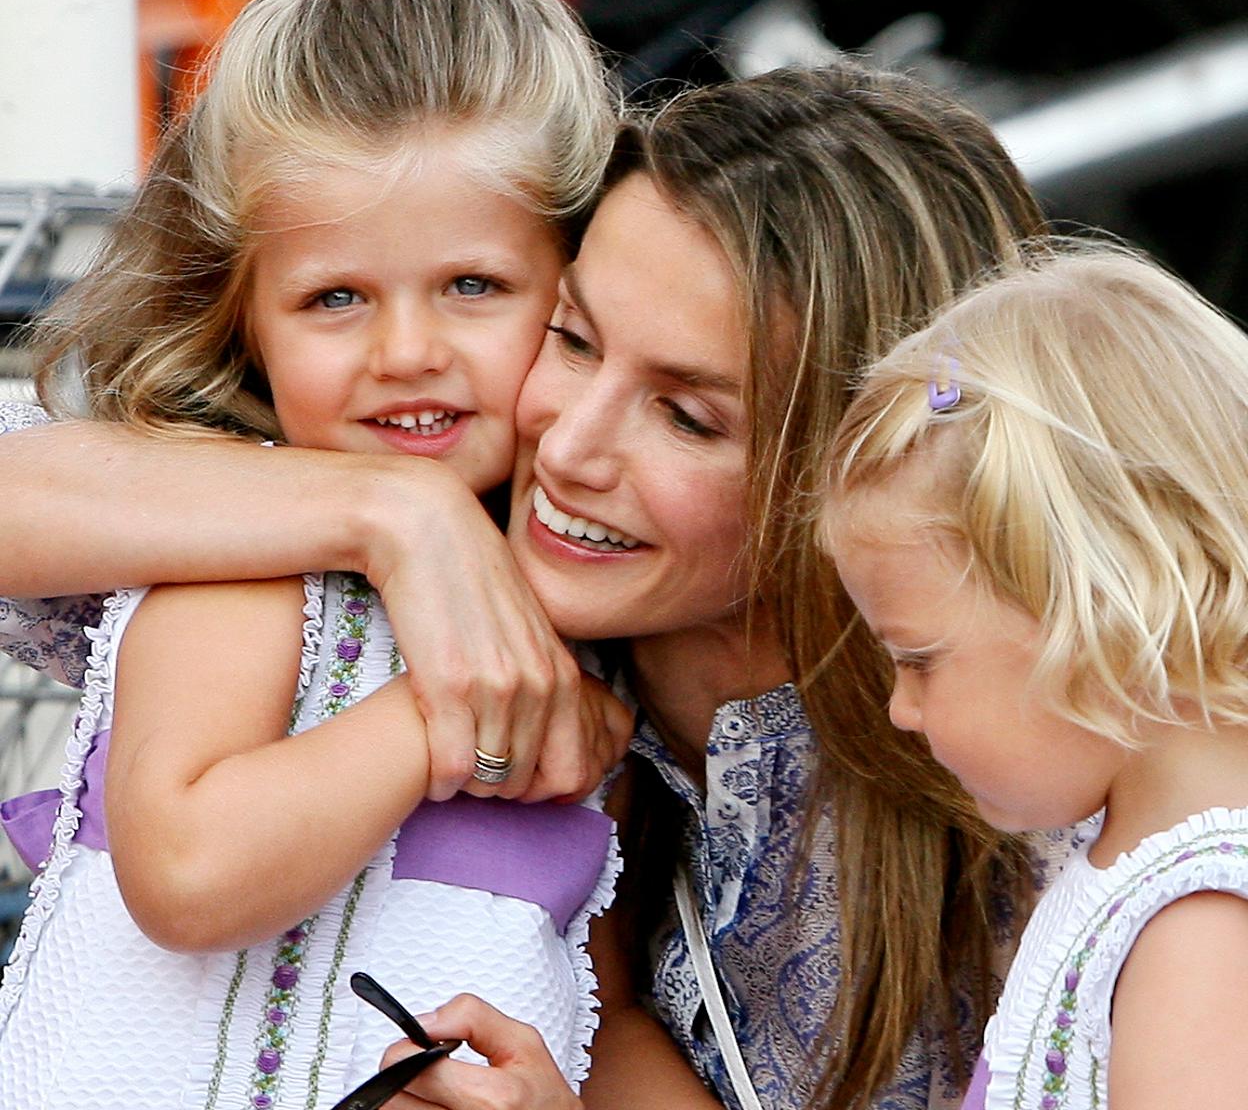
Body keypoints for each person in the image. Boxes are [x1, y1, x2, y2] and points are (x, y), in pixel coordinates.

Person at [0, 61, 1052, 1109]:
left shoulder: (1018, 792)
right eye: (574, 339)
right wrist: (395, 514)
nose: (571, 445)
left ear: (860, 472)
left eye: (687, 417)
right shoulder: (416, 551)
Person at [0, 0, 637, 1110]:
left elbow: (593, 984)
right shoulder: (251, 570)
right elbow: (187, 875)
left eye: (474, 287)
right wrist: (438, 711)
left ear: (578, 287)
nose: (409, 353)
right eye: (336, 297)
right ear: (246, 320)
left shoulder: (593, 603)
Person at [824, 242, 1248, 1109]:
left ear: (1092, 607)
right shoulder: (1126, 879)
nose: (901, 710)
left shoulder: (1204, 927)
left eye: (916, 659)